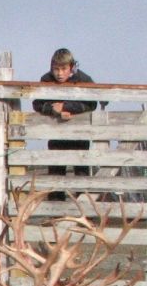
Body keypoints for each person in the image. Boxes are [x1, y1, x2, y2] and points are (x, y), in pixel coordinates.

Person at [33, 48, 98, 196]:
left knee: (81, 172)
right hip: (57, 133)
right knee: (56, 172)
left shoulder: (83, 79)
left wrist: (68, 107)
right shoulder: (46, 80)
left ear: (71, 67)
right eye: (56, 69)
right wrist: (53, 109)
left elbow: (92, 103)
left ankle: (84, 209)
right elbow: (37, 103)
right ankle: (56, 212)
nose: (59, 73)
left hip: (79, 134)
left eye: (63, 69)